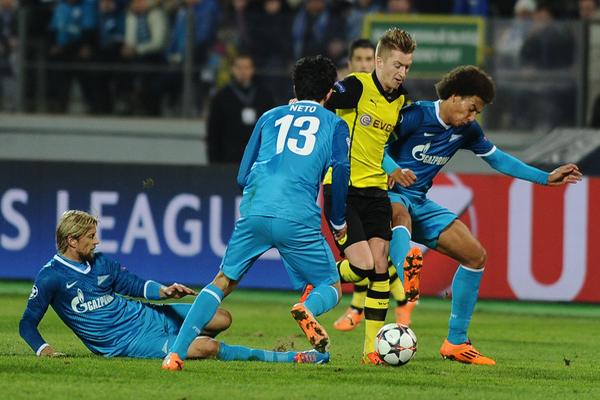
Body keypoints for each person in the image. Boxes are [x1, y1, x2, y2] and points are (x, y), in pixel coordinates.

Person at [161, 55, 350, 371]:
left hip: (255, 209)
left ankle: (176, 354)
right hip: (298, 214)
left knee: (222, 281)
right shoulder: (335, 124)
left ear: (294, 86)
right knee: (330, 285)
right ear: (330, 93)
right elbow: (341, 169)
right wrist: (339, 222)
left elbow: (241, 176)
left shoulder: (269, 116)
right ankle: (307, 309)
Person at [383, 65, 582, 365]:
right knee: (400, 214)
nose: (472, 117)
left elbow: (499, 160)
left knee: (475, 256)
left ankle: (456, 341)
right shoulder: (414, 115)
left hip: (420, 202)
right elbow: (372, 144)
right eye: (471, 108)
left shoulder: (467, 131)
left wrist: (545, 177)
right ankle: (406, 273)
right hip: (386, 194)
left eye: (477, 112)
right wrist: (391, 169)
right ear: (455, 96)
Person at [19, 210, 327, 364]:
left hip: (147, 316)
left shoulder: (100, 261)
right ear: (72, 241)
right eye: (90, 237)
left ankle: (184, 337)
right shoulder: (51, 278)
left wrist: (165, 292)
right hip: (126, 343)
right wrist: (44, 350)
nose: (96, 241)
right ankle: (291, 358)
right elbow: (26, 325)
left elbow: (133, 285)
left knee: (222, 318)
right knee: (206, 347)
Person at [316, 28, 416, 365]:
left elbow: (400, 139)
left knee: (378, 268)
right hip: (343, 187)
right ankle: (322, 279)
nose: (402, 73)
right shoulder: (357, 85)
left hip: (375, 191)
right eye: (397, 65)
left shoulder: (403, 101)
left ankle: (370, 350)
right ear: (379, 61)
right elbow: (325, 99)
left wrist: (394, 168)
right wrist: (301, 106)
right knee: (360, 266)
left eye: (407, 67)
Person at [207, 52, 275, 164]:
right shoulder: (222, 96)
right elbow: (214, 131)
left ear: (252, 69)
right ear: (232, 69)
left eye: (247, 67)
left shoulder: (264, 95)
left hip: (257, 158)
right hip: (229, 158)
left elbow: (271, 127)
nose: (243, 72)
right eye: (239, 67)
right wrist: (214, 161)